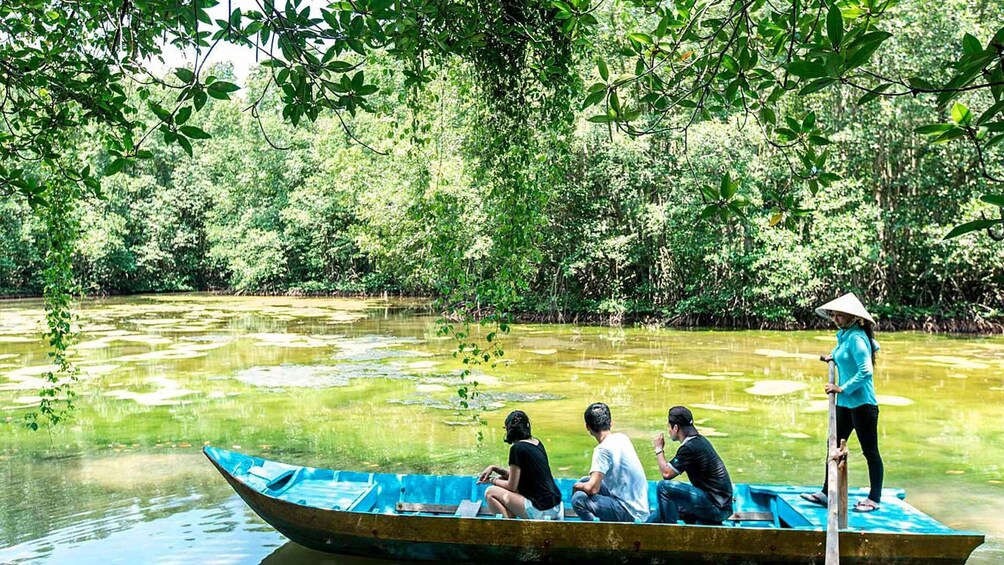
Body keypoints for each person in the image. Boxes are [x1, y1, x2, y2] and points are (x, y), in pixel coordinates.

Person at [800, 292, 884, 513]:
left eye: (840, 315)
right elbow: (874, 346)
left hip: (863, 404)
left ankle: (874, 499)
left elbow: (866, 371)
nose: (836, 319)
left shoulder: (856, 338)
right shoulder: (847, 336)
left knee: (870, 452)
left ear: (853, 318)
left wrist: (841, 388)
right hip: (845, 405)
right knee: (833, 447)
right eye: (834, 315)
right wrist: (834, 357)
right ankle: (827, 492)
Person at [648, 406, 734, 524]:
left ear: (676, 427)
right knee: (669, 504)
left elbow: (666, 473)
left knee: (663, 487)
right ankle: (641, 531)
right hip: (719, 504)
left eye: (669, 426)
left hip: (717, 507)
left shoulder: (690, 447)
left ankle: (668, 535)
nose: (668, 430)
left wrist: (659, 449)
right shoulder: (698, 441)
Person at [570, 402, 649, 522]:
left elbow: (593, 489)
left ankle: (597, 532)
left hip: (630, 512)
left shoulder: (602, 450)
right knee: (584, 480)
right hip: (640, 506)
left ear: (587, 427)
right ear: (611, 423)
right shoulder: (622, 437)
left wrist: (576, 487)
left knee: (578, 499)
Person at [477, 410, 563, 520]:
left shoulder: (517, 448)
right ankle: (512, 521)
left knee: (490, 492)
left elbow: (512, 487)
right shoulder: (536, 442)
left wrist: (492, 480)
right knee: (502, 482)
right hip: (554, 506)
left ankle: (510, 531)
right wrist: (494, 468)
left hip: (541, 509)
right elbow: (517, 477)